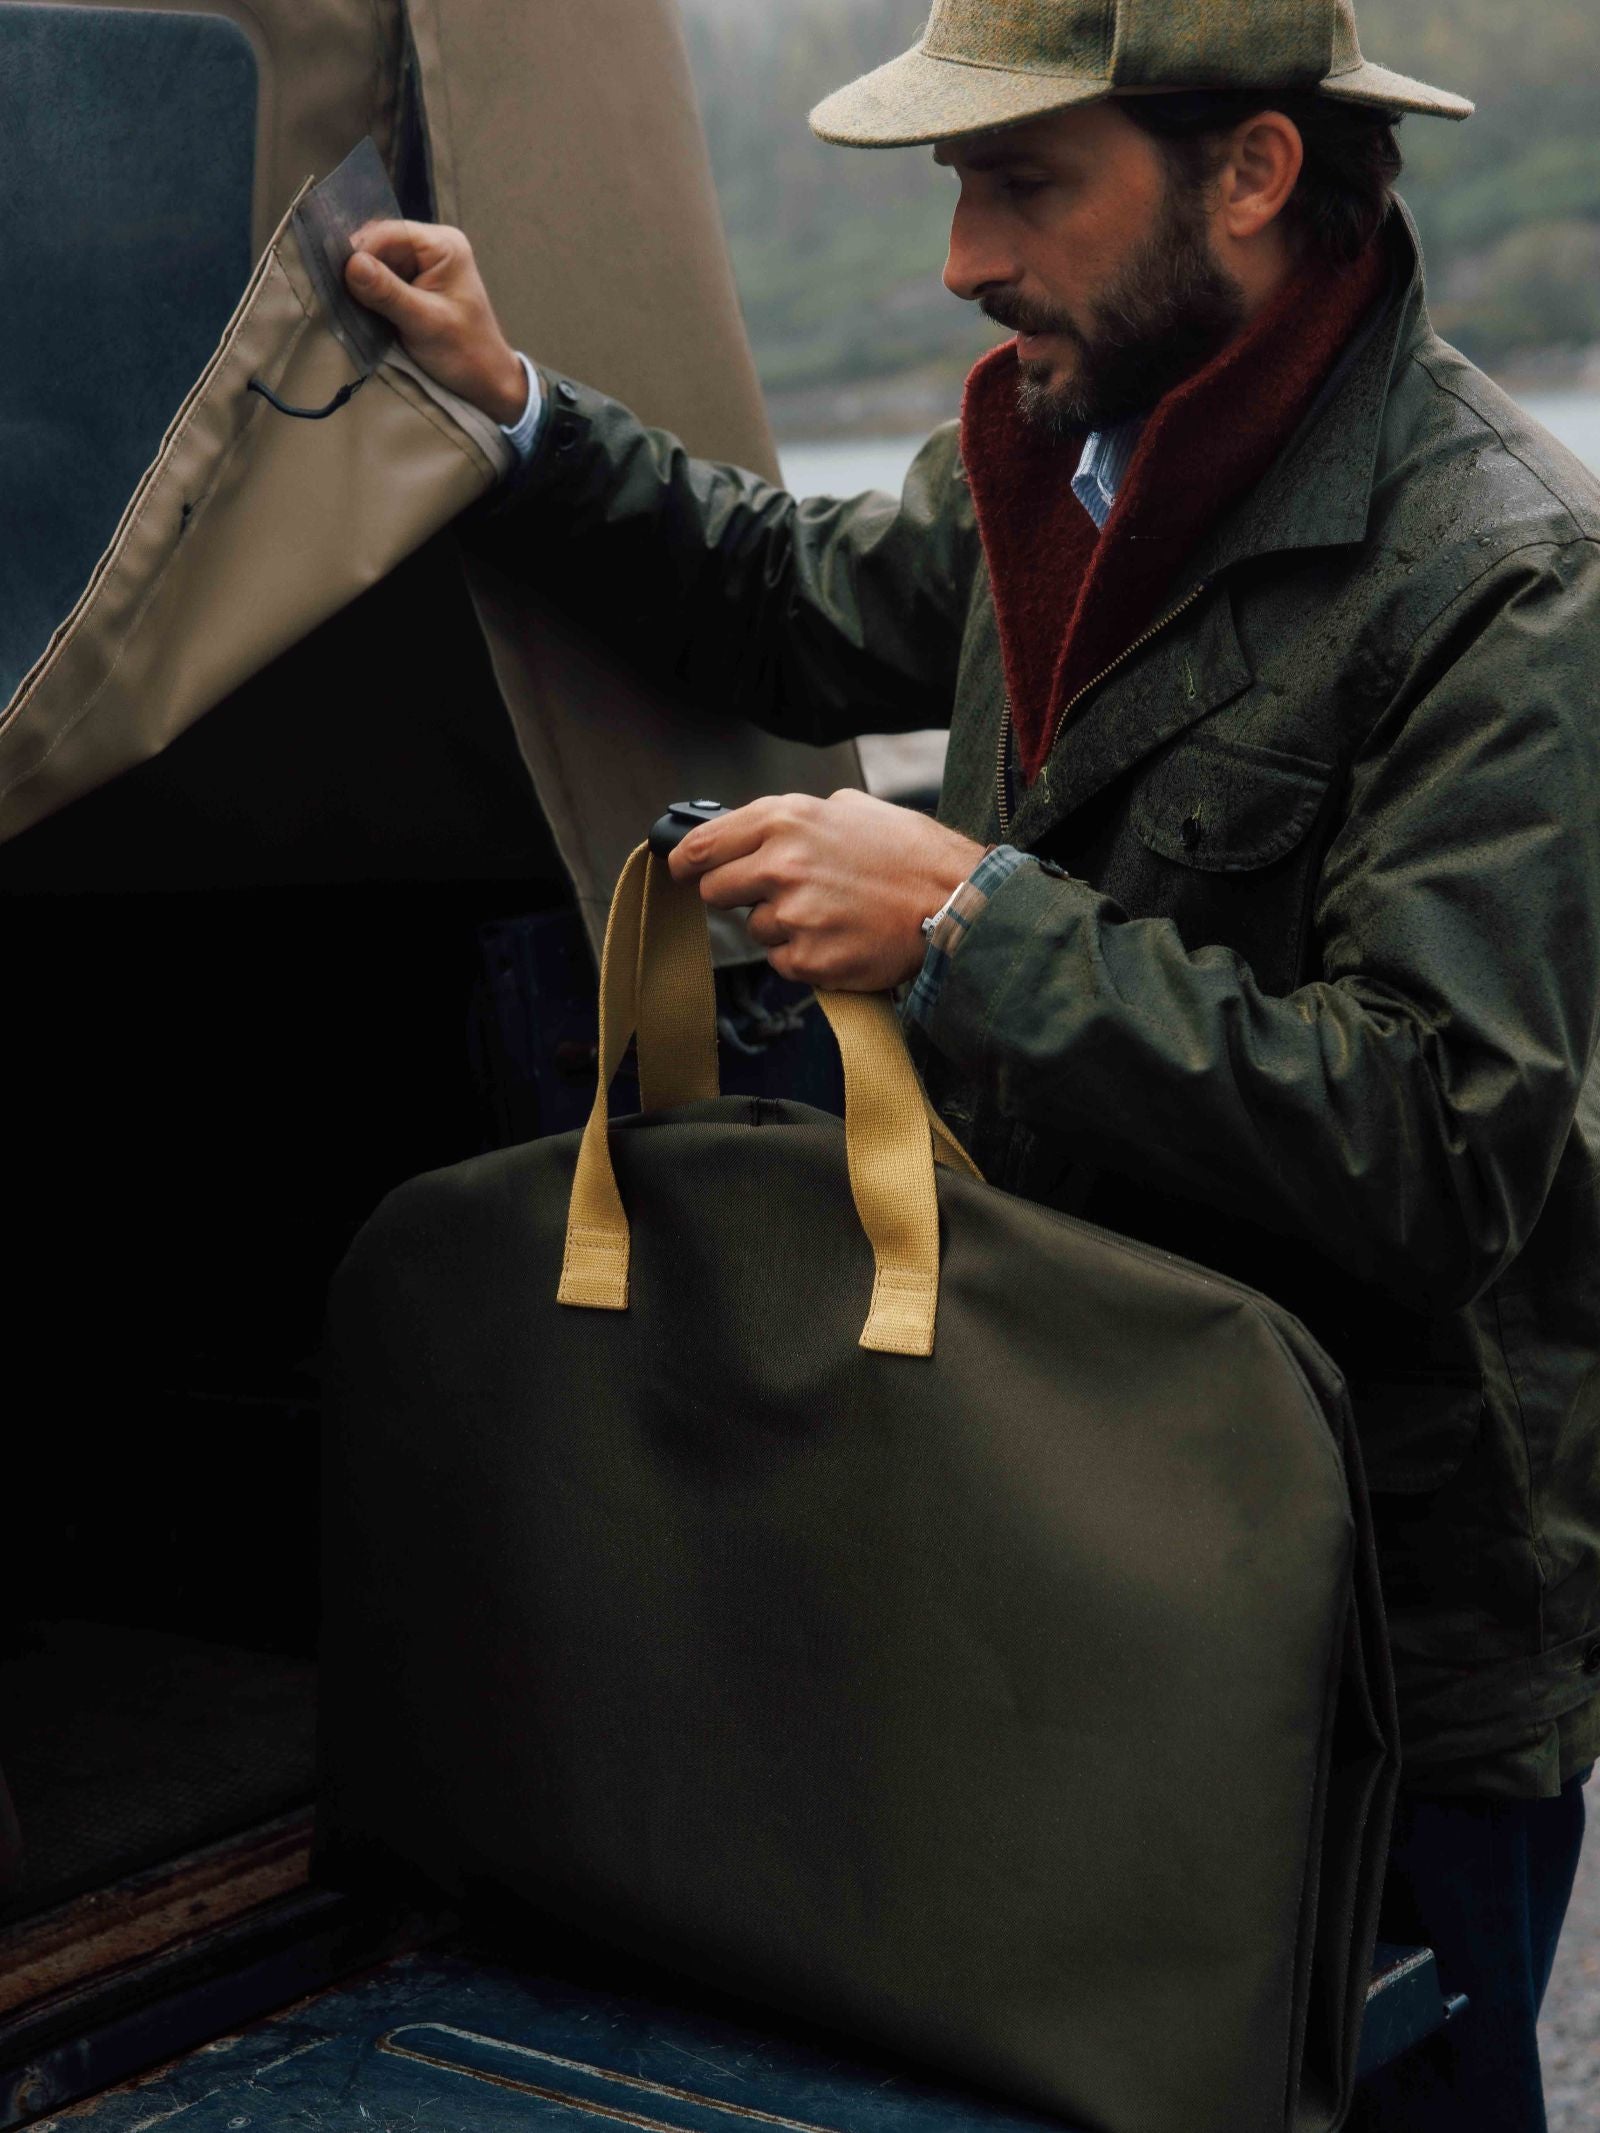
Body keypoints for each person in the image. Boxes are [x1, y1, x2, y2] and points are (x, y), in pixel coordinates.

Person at [343, 1, 1599, 2123]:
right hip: (1066, 1516)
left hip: (1376, 1629)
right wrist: (514, 407)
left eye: (1021, 182)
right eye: (954, 184)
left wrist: (962, 926)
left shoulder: (1501, 579)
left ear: (1254, 173)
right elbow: (779, 596)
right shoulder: (1054, 442)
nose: (957, 259)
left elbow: (1432, 1141)